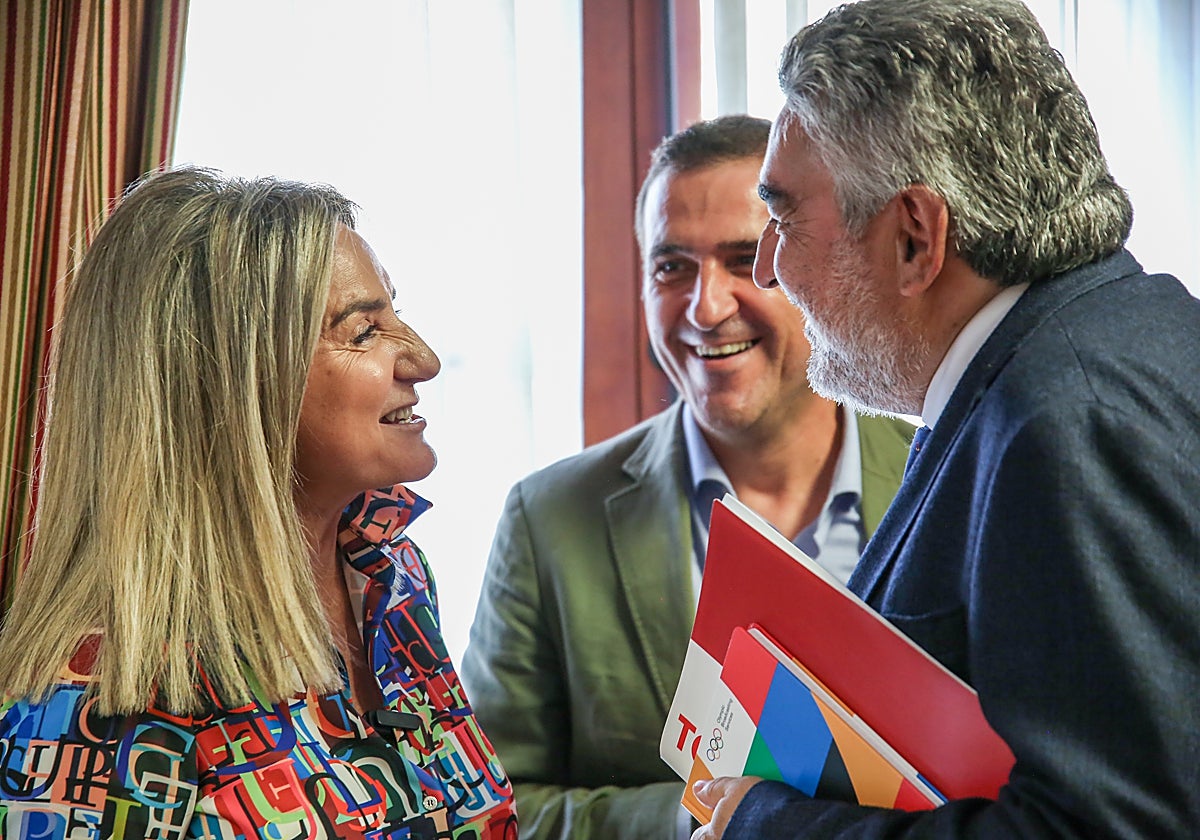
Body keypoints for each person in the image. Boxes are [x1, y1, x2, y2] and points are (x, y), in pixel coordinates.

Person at [690, 1, 1200, 837]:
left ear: (916, 238)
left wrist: (765, 824)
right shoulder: (1088, 347)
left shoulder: (1072, 421)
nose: (772, 269)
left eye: (783, 220)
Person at [0, 167, 517, 838]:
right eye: (363, 332)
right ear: (233, 386)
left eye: (397, 313)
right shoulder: (92, 694)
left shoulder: (393, 575)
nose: (422, 359)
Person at [461, 115, 913, 840]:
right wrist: (696, 819)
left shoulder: (949, 472)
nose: (706, 308)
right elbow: (485, 806)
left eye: (745, 261)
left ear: (821, 269)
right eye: (671, 267)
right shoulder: (548, 520)